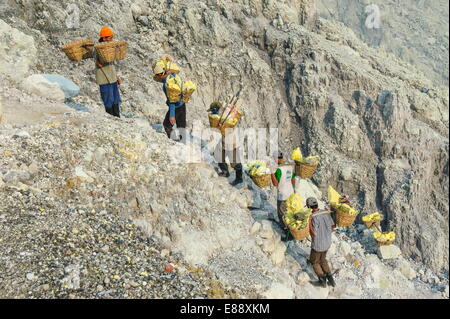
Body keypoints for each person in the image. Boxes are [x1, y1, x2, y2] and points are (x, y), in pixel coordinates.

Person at [307, 197, 337, 288]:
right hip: (327, 243)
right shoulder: (326, 213)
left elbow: (313, 233)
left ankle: (322, 281)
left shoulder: (313, 218)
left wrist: (309, 222)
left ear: (309, 207)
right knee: (323, 260)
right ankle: (331, 281)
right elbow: (333, 227)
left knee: (314, 262)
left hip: (318, 245)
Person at [153, 58, 186, 139]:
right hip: (182, 104)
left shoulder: (167, 84)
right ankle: (183, 143)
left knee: (166, 125)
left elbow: (172, 101)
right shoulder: (173, 75)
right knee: (181, 126)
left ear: (159, 75)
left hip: (175, 107)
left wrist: (172, 115)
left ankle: (172, 140)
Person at [94, 26, 122, 117]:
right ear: (103, 38)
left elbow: (112, 65)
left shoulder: (109, 48)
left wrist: (116, 77)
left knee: (115, 99)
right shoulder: (97, 48)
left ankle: (117, 117)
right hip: (104, 78)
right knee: (108, 99)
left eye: (110, 38)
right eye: (108, 37)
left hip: (112, 78)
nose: (109, 39)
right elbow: (97, 61)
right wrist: (99, 62)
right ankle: (111, 117)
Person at [214, 102, 243, 186]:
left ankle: (239, 178)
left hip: (232, 142)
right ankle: (225, 171)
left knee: (235, 162)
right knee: (218, 154)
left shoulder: (230, 118)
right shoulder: (223, 116)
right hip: (224, 140)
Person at [271, 151, 296, 232]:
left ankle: (285, 231)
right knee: (290, 213)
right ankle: (292, 228)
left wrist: (271, 173)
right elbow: (293, 179)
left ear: (276, 158)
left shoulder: (278, 170)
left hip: (282, 195)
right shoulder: (289, 167)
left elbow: (275, 183)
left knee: (282, 214)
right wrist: (293, 190)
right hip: (290, 193)